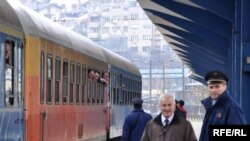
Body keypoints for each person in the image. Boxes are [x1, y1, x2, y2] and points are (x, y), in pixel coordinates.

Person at [199, 70, 246, 141]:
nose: (213, 90)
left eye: (217, 86)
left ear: (225, 86)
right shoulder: (211, 106)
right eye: (211, 87)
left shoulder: (232, 108)